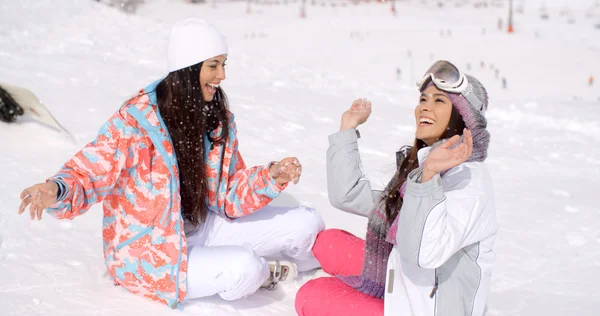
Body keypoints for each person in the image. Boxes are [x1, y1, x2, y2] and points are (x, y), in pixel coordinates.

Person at [17, 18, 324, 309]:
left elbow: (229, 193)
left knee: (307, 223)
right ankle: (260, 273)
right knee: (245, 268)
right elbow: (89, 173)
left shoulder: (214, 120)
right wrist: (57, 190)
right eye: (213, 66)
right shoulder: (134, 124)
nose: (222, 75)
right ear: (188, 69)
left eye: (223, 64)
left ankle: (322, 268)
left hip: (203, 227)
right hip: (149, 254)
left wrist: (270, 177)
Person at [295, 60, 497, 316]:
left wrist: (427, 179)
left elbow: (423, 253)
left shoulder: (469, 184)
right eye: (424, 98)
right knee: (328, 241)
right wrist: (347, 129)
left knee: (310, 296)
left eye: (439, 101)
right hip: (401, 274)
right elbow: (349, 195)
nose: (425, 106)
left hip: (422, 308)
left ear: (462, 118)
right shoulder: (421, 161)